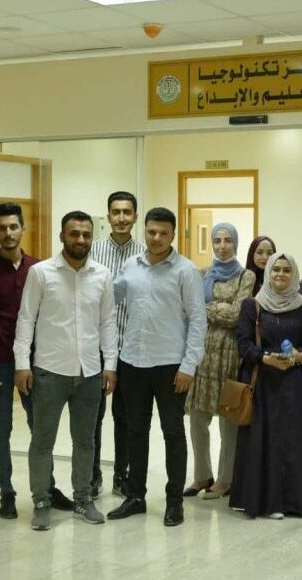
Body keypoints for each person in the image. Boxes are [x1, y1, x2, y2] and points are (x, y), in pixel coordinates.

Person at [14, 211, 119, 531]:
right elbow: (26, 319)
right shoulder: (41, 273)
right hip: (49, 371)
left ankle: (83, 499)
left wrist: (110, 365)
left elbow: (108, 323)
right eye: (74, 233)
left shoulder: (102, 275)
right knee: (42, 441)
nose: (80, 239)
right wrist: (22, 364)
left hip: (90, 373)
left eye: (86, 234)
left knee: (85, 441)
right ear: (62, 236)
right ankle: (41, 501)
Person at [107, 207, 207, 527]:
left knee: (173, 433)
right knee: (136, 431)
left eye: (163, 233)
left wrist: (189, 366)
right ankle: (135, 496)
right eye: (151, 231)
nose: (156, 238)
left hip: (171, 367)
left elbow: (198, 320)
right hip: (133, 363)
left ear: (173, 235)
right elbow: (108, 300)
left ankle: (174, 501)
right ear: (145, 231)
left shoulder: (186, 271)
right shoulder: (130, 266)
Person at [0, 203, 71, 519]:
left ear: (22, 228)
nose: (8, 233)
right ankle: (6, 493)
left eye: (13, 226)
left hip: (35, 363)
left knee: (40, 429)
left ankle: (48, 487)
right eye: (2, 227)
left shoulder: (39, 268)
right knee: (1, 429)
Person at [229, 252, 302, 518]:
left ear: (294, 274)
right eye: (276, 269)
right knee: (264, 441)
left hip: (293, 385)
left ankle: (295, 502)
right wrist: (265, 358)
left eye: (286, 270)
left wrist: (298, 357)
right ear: (268, 272)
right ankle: (267, 503)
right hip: (263, 383)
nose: (280, 274)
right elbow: (243, 343)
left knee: (292, 442)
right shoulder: (252, 305)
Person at [185, 224, 255, 500]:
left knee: (229, 420)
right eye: (217, 240)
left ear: (235, 243)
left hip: (229, 355)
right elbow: (190, 311)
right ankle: (202, 475)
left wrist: (206, 308)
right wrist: (216, 308)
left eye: (228, 240)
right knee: (197, 419)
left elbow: (237, 315)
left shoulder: (246, 276)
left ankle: (226, 479)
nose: (223, 245)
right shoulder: (202, 274)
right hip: (201, 355)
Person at [89, 191, 147, 498]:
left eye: (127, 212)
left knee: (126, 418)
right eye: (116, 212)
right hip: (96, 349)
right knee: (93, 417)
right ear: (108, 215)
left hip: (131, 351)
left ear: (135, 216)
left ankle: (121, 475)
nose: (121, 218)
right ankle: (92, 475)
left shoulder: (146, 254)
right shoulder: (93, 250)